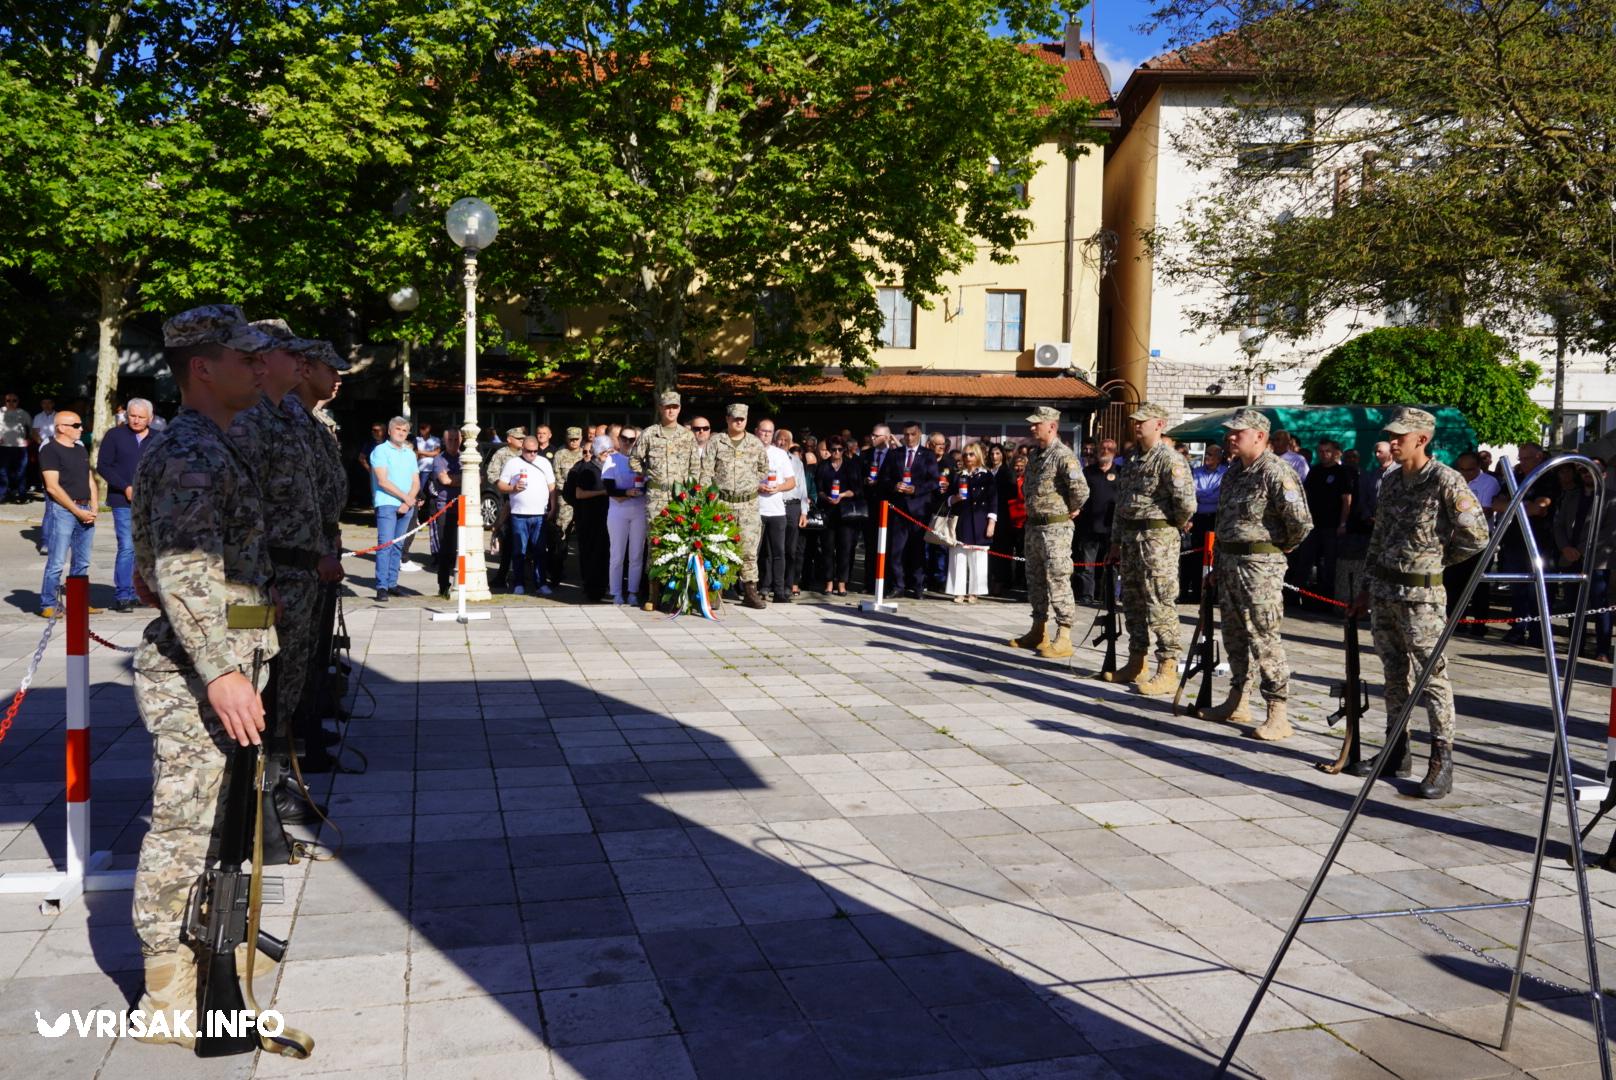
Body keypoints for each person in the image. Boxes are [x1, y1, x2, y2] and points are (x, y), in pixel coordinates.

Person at [129, 304, 281, 1048]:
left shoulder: (214, 443)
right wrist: (223, 670)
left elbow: (194, 579)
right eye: (243, 357)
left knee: (217, 825)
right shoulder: (190, 449)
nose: (258, 367)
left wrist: (258, 636)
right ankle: (165, 994)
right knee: (184, 830)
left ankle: (203, 963)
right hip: (199, 678)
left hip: (226, 665)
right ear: (202, 368)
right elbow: (183, 572)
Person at [1348, 408, 1489, 798]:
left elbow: (1477, 536)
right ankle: (1396, 750)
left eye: (1400, 437)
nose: (1392, 442)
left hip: (1422, 599)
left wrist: (1436, 561)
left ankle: (1442, 761)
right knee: (1394, 674)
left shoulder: (1445, 480)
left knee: (1432, 678)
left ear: (1422, 439)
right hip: (1385, 593)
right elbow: (1378, 539)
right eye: (1391, 436)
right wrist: (1365, 589)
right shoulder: (1392, 482)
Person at [230, 318, 333, 830]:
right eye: (290, 354)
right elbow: (244, 514)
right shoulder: (249, 421)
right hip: (269, 577)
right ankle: (255, 795)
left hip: (298, 570)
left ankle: (273, 781)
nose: (301, 363)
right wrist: (264, 581)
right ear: (261, 359)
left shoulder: (284, 415)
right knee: (262, 686)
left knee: (286, 684)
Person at [1199, 409, 1313, 738]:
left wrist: (1276, 549)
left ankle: (1278, 712)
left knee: (1263, 637)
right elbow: (1225, 522)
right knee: (1234, 635)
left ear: (1260, 436)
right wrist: (1218, 565)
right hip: (1230, 564)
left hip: (1260, 569)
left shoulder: (1275, 471)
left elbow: (1300, 523)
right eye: (1230, 432)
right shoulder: (1235, 471)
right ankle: (1238, 700)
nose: (1230, 437)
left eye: (1239, 432)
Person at [1107, 403, 1195, 693]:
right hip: (1131, 538)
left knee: (1160, 601)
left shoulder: (1169, 459)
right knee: (1132, 600)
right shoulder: (1132, 459)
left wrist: (1169, 526)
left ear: (1159, 424)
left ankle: (1167, 667)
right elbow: (1122, 503)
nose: (1136, 425)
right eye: (1135, 421)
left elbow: (1186, 503)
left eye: (1142, 421)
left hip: (1157, 540)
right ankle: (1137, 661)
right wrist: (1116, 541)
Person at [1008, 408, 1088, 657]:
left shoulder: (1063, 455)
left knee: (1058, 578)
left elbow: (1081, 490)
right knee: (1035, 578)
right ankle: (1038, 629)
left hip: (1055, 528)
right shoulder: (1035, 455)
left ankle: (1064, 635)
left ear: (1052, 426)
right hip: (1034, 526)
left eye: (1037, 424)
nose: (1032, 428)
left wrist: (1071, 509)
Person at [629, 391, 699, 609]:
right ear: (660, 408)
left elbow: (695, 466)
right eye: (667, 406)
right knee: (655, 542)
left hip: (680, 497)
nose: (671, 411)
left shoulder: (687, 436)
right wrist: (649, 475)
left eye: (674, 407)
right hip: (657, 496)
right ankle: (653, 594)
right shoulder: (650, 434)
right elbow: (634, 460)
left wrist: (690, 490)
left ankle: (676, 593)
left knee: (680, 542)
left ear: (679, 409)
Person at [701, 404, 770, 608]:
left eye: (742, 419)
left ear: (746, 420)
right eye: (734, 418)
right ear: (727, 419)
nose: (738, 422)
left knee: (749, 550)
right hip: (723, 503)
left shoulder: (755, 443)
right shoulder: (716, 441)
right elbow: (706, 471)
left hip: (748, 504)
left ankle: (750, 591)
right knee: (718, 547)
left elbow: (763, 468)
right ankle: (716, 591)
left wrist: (749, 482)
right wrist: (707, 497)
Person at [37, 408, 100, 617]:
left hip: (84, 508)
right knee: (57, 561)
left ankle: (78, 602)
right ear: (61, 428)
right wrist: (76, 510)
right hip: (64, 510)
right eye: (76, 425)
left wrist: (94, 505)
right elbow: (52, 487)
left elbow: (89, 479)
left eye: (81, 424)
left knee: (82, 561)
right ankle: (48, 603)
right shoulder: (50, 450)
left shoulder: (80, 449)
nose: (81, 428)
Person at [97, 398, 155, 612]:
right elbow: (103, 466)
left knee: (144, 548)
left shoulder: (159, 438)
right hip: (123, 500)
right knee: (127, 546)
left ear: (150, 418)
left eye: (141, 417)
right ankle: (123, 595)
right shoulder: (115, 435)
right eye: (132, 416)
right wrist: (124, 487)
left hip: (150, 502)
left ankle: (139, 593)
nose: (136, 420)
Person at [877, 421, 940, 599]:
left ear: (919, 434)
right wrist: (894, 486)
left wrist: (916, 489)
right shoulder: (894, 454)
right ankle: (898, 585)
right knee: (896, 550)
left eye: (912, 434)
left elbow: (934, 481)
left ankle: (918, 586)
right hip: (899, 509)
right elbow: (884, 479)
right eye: (906, 434)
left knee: (918, 550)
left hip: (919, 509)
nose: (909, 438)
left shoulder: (928, 455)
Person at [1295, 439, 1357, 605]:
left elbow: (1347, 500)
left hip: (1332, 525)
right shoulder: (1315, 471)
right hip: (1312, 524)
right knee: (1305, 561)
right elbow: (1305, 495)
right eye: (1321, 451)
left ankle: (1328, 600)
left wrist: (1343, 523)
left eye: (1327, 451)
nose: (1324, 454)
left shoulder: (1342, 472)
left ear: (1336, 453)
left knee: (1329, 564)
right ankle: (1301, 597)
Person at [1447, 450, 1500, 635]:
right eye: (1461, 469)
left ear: (1478, 466)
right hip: (1456, 540)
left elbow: (1485, 511)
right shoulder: (1455, 481)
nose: (1465, 474)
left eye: (1469, 470)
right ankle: (1456, 622)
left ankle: (1479, 625)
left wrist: (1457, 516)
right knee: (1454, 583)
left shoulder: (1489, 482)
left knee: (1478, 584)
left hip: (1479, 540)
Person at [369, 416, 421, 601]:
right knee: (385, 545)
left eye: (404, 430)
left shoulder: (409, 453)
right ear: (390, 431)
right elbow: (382, 481)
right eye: (398, 429)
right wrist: (405, 498)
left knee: (398, 545)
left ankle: (392, 583)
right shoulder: (380, 451)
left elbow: (416, 481)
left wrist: (408, 501)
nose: (401, 433)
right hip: (386, 502)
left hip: (407, 504)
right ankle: (382, 586)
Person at [497, 435, 556, 595]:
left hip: (540, 514)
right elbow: (501, 485)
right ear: (522, 449)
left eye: (535, 451)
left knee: (540, 550)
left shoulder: (544, 462)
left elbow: (552, 486)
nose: (532, 454)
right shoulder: (512, 463)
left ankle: (540, 583)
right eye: (529, 451)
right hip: (519, 514)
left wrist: (553, 506)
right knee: (519, 551)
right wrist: (513, 488)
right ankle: (518, 583)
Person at [602, 427, 648, 605]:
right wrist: (626, 492)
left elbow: (648, 485)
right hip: (618, 511)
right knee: (617, 554)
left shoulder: (643, 461)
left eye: (632, 439)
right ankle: (616, 592)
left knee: (636, 554)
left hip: (639, 510)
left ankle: (633, 592)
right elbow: (609, 488)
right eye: (624, 438)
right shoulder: (612, 459)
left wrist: (638, 490)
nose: (628, 442)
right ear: (619, 439)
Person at [946, 443, 997, 602]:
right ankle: (958, 591)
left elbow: (993, 501)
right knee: (958, 556)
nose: (967, 457)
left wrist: (991, 523)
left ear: (978, 455)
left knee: (978, 558)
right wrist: (954, 499)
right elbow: (946, 498)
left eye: (971, 454)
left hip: (980, 521)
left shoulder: (987, 476)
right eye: (965, 455)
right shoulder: (958, 475)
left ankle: (975, 592)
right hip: (961, 520)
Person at [754, 417, 797, 603]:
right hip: (755, 509)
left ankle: (779, 591)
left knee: (779, 552)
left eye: (769, 432)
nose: (765, 435)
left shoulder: (780, 454)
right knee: (755, 552)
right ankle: (754, 588)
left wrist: (778, 487)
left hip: (777, 510)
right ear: (756, 431)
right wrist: (758, 487)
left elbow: (791, 482)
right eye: (763, 431)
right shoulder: (749, 451)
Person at [566, 435, 613, 601]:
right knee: (592, 554)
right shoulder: (587, 469)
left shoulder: (608, 468)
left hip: (606, 517)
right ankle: (592, 590)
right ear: (599, 452)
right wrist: (603, 492)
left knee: (604, 554)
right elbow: (579, 494)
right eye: (606, 452)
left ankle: (602, 587)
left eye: (611, 452)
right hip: (590, 518)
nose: (609, 455)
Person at [1074, 438, 1119, 604]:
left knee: (1111, 565)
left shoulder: (1120, 472)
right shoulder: (1087, 472)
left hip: (1112, 527)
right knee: (1087, 565)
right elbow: (1078, 495)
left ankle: (1110, 597)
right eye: (1102, 448)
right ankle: (1087, 595)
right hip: (1089, 526)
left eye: (1109, 448)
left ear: (1115, 452)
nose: (1105, 451)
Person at [816, 436, 863, 595]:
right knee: (827, 548)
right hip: (828, 511)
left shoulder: (851, 466)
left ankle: (842, 583)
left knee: (845, 548)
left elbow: (857, 490)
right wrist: (826, 497)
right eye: (833, 449)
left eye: (840, 449)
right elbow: (819, 489)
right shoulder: (823, 466)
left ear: (844, 450)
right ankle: (829, 582)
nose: (836, 452)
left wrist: (842, 495)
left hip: (846, 513)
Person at [484, 426, 525, 589]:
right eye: (518, 438)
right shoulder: (501, 454)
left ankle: (521, 576)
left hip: (523, 501)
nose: (521, 440)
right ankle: (502, 575)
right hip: (507, 499)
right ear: (509, 439)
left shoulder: (526, 454)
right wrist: (505, 486)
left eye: (523, 438)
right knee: (507, 539)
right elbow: (492, 474)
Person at [1186, 443, 1226, 603]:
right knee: (1195, 556)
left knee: (1214, 555)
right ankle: (1196, 592)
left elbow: (1220, 496)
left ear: (1219, 458)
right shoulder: (1196, 472)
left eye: (1211, 454)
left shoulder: (1225, 473)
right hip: (1198, 518)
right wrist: (1209, 494)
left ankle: (1213, 593)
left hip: (1215, 519)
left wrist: (1202, 495)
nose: (1207, 457)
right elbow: (1191, 493)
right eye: (1206, 454)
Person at [859, 423, 895, 593]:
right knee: (870, 545)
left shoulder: (894, 456)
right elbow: (857, 476)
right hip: (869, 505)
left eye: (877, 436)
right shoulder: (865, 455)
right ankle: (869, 583)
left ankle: (886, 584)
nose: (872, 438)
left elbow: (896, 479)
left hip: (888, 505)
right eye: (872, 435)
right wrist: (865, 481)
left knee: (887, 546)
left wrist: (880, 483)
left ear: (886, 437)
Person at [550, 426, 585, 587]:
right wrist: (570, 489)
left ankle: (584, 572)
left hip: (583, 500)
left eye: (576, 439)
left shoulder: (585, 453)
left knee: (584, 536)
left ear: (581, 438)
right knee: (561, 536)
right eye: (571, 439)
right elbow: (555, 477)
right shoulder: (560, 454)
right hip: (565, 500)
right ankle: (557, 572)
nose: (573, 442)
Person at [430, 428, 463, 599]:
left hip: (464, 508)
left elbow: (478, 479)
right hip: (445, 508)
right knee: (446, 549)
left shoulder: (466, 457)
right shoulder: (439, 459)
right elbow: (443, 479)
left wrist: (453, 479)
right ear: (445, 441)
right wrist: (462, 479)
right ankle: (443, 586)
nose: (454, 443)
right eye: (450, 440)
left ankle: (461, 584)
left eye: (456, 439)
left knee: (462, 548)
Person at [776, 428, 808, 597]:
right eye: (779, 439)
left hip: (793, 506)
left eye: (786, 441)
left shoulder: (797, 462)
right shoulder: (769, 457)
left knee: (790, 549)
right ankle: (771, 584)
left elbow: (803, 488)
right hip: (774, 505)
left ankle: (789, 584)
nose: (782, 443)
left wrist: (804, 512)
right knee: (774, 549)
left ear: (790, 444)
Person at [0, 392, 30, 503]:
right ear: (5, 401)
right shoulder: (0, 412)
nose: (11, 403)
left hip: (20, 447)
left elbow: (31, 427)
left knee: (21, 471)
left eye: (14, 400)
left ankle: (22, 495)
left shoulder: (23, 413)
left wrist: (29, 439)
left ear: (18, 401)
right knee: (2, 472)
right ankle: (2, 495)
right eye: (8, 400)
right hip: (3, 447)